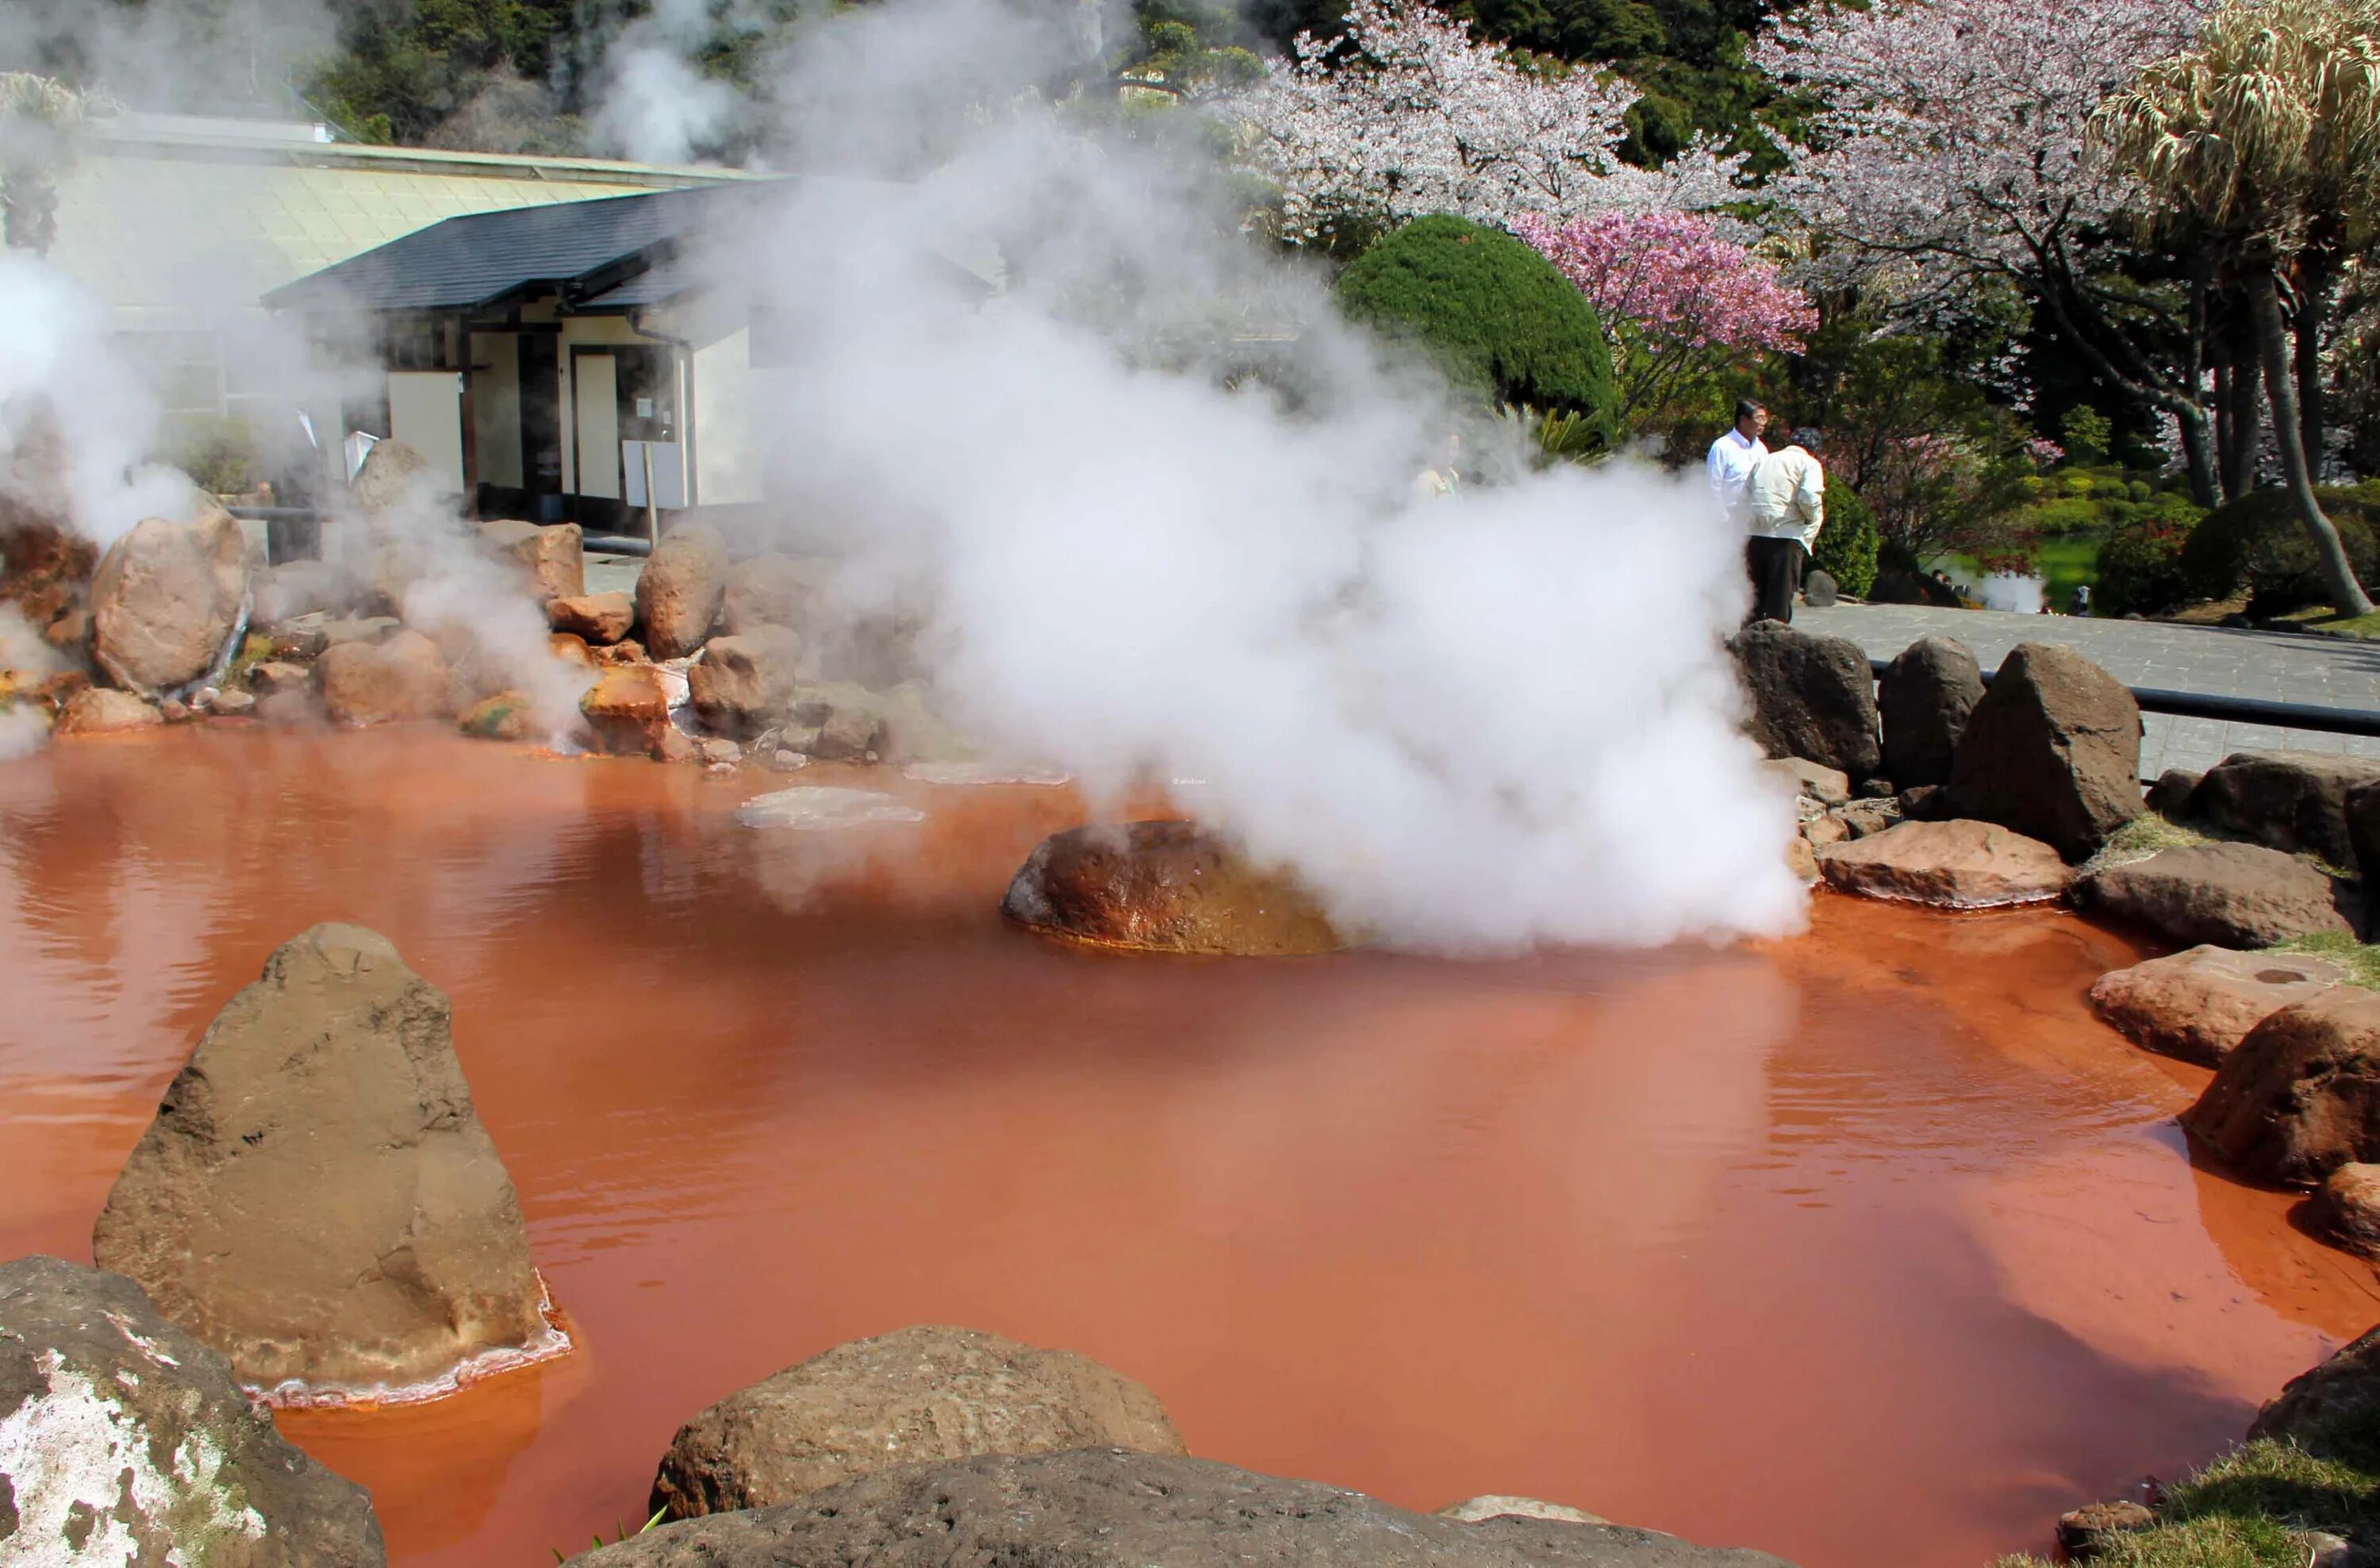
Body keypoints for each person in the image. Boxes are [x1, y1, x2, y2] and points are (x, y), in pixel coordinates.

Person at [1745, 426, 1827, 624]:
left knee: (1752, 600)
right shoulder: (1809, 463)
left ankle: (1746, 645)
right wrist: (1810, 518)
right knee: (1779, 603)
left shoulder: (1764, 460)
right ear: (1814, 448)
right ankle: (1775, 648)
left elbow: (1745, 495)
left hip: (1755, 535)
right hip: (1787, 536)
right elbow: (1808, 497)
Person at [1706, 398, 1768, 528]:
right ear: (1743, 420)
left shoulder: (1761, 449)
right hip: (1729, 521)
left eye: (1765, 419)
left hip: (1755, 522)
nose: (1763, 424)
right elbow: (1713, 486)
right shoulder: (1723, 447)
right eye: (1759, 418)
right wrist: (1722, 518)